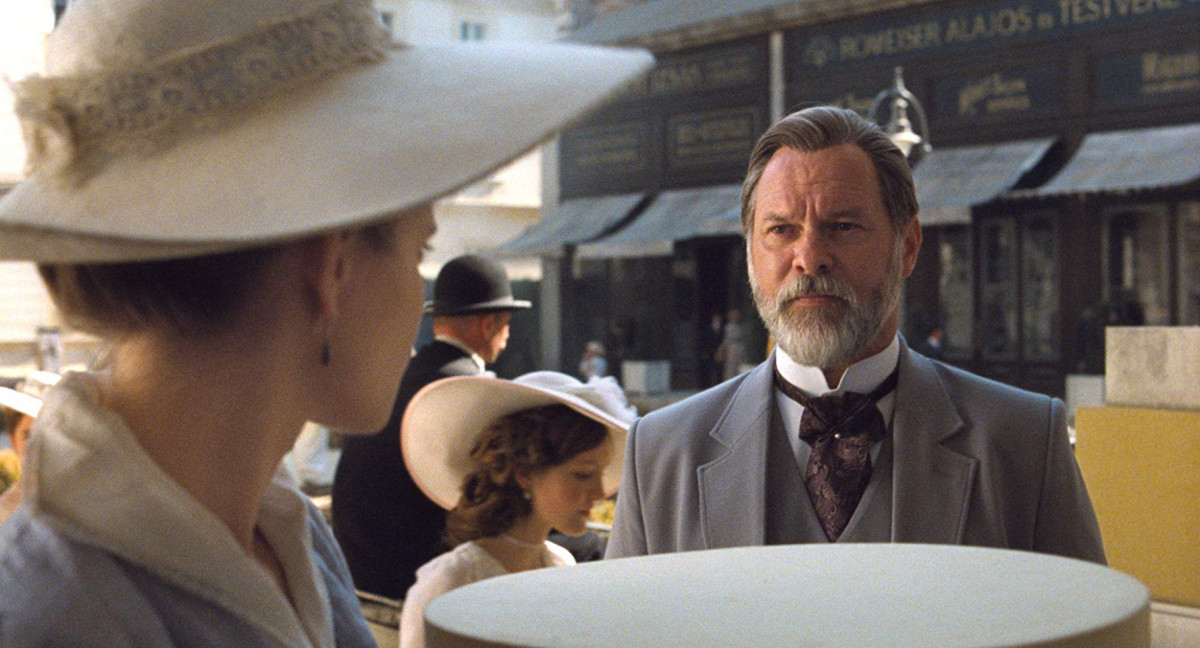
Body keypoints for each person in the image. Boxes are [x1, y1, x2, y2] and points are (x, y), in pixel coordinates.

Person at [0, 0, 651, 644]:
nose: (417, 297)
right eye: (418, 251)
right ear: (332, 268)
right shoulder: (58, 618)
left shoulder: (284, 527)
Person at [605, 106, 1105, 564]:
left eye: (842, 226)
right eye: (781, 230)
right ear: (752, 252)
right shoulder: (662, 454)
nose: (809, 258)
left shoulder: (1023, 443)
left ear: (907, 247)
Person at [332, 254, 532, 600]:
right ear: (488, 326)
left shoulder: (401, 375)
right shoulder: (468, 390)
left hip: (359, 569)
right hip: (416, 575)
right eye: (507, 323)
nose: (508, 335)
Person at [397, 371, 634, 648]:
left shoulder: (560, 565)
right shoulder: (451, 581)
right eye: (582, 474)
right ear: (524, 472)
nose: (599, 492)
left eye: (600, 474)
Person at [716, 307, 748, 380]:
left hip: (741, 349)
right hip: (731, 349)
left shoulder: (742, 327)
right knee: (730, 369)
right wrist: (721, 351)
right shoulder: (728, 327)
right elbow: (726, 340)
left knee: (740, 368)